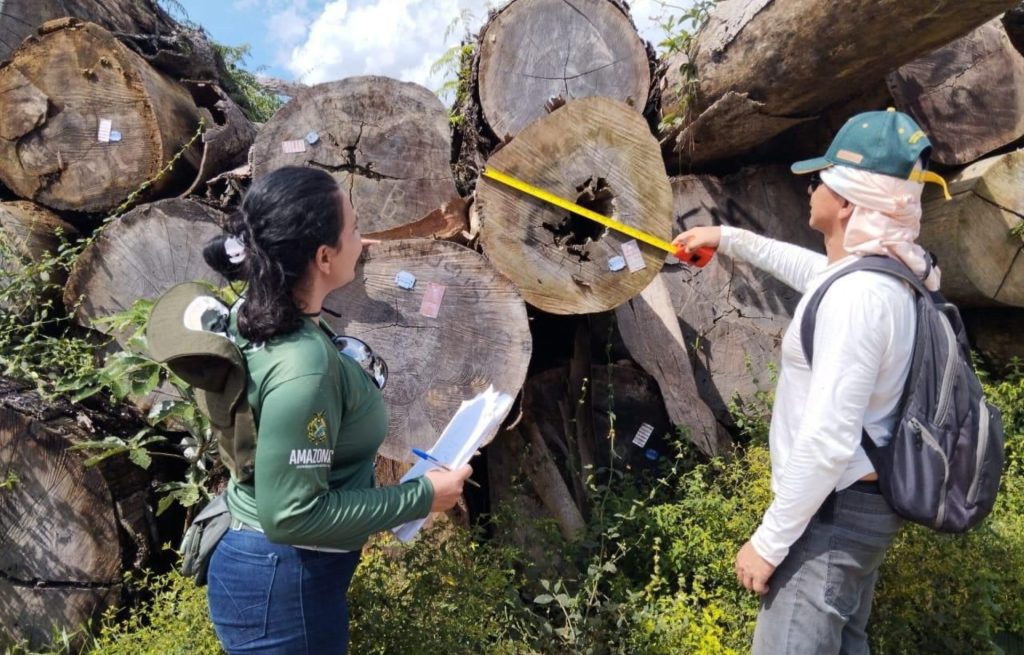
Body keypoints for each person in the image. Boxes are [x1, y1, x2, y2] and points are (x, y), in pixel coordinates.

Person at [672, 109, 947, 654]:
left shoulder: (857, 299)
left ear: (846, 202)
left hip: (830, 519)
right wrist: (724, 236)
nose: (811, 186)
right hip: (857, 510)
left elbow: (827, 440)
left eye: (821, 178)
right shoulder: (886, 277)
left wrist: (770, 543)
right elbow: (806, 271)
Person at [201, 166, 472, 654]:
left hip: (276, 575)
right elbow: (292, 515)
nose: (364, 240)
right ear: (324, 256)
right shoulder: (304, 368)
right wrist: (420, 498)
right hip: (282, 585)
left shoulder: (258, 314)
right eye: (353, 229)